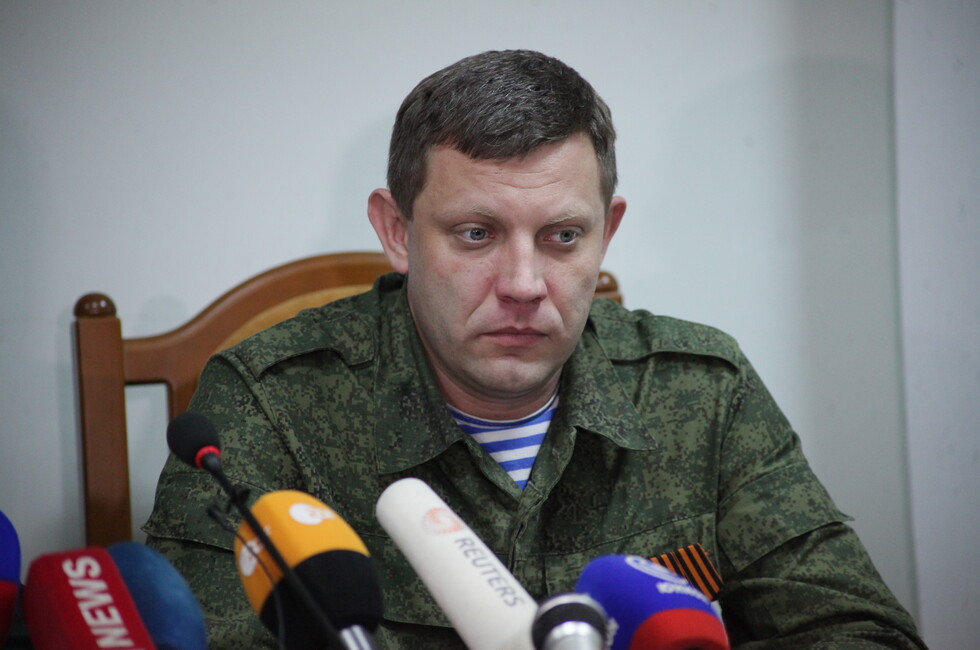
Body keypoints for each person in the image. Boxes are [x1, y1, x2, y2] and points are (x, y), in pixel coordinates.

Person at [145, 49, 926, 648]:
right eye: (475, 234)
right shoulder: (270, 403)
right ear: (397, 231)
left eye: (562, 237)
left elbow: (859, 631)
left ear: (606, 232)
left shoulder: (701, 391)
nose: (523, 284)